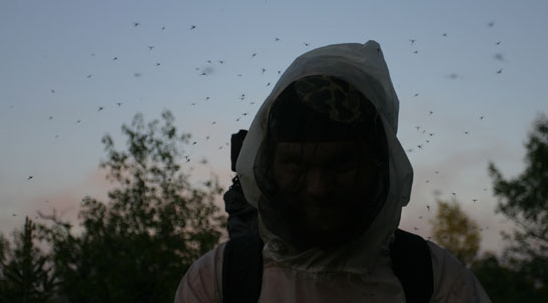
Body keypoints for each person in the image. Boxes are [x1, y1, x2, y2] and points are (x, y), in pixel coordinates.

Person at [175, 40, 491, 302]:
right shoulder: (216, 282)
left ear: (379, 165)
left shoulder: (437, 282)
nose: (317, 188)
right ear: (267, 165)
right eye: (295, 164)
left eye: (341, 164)